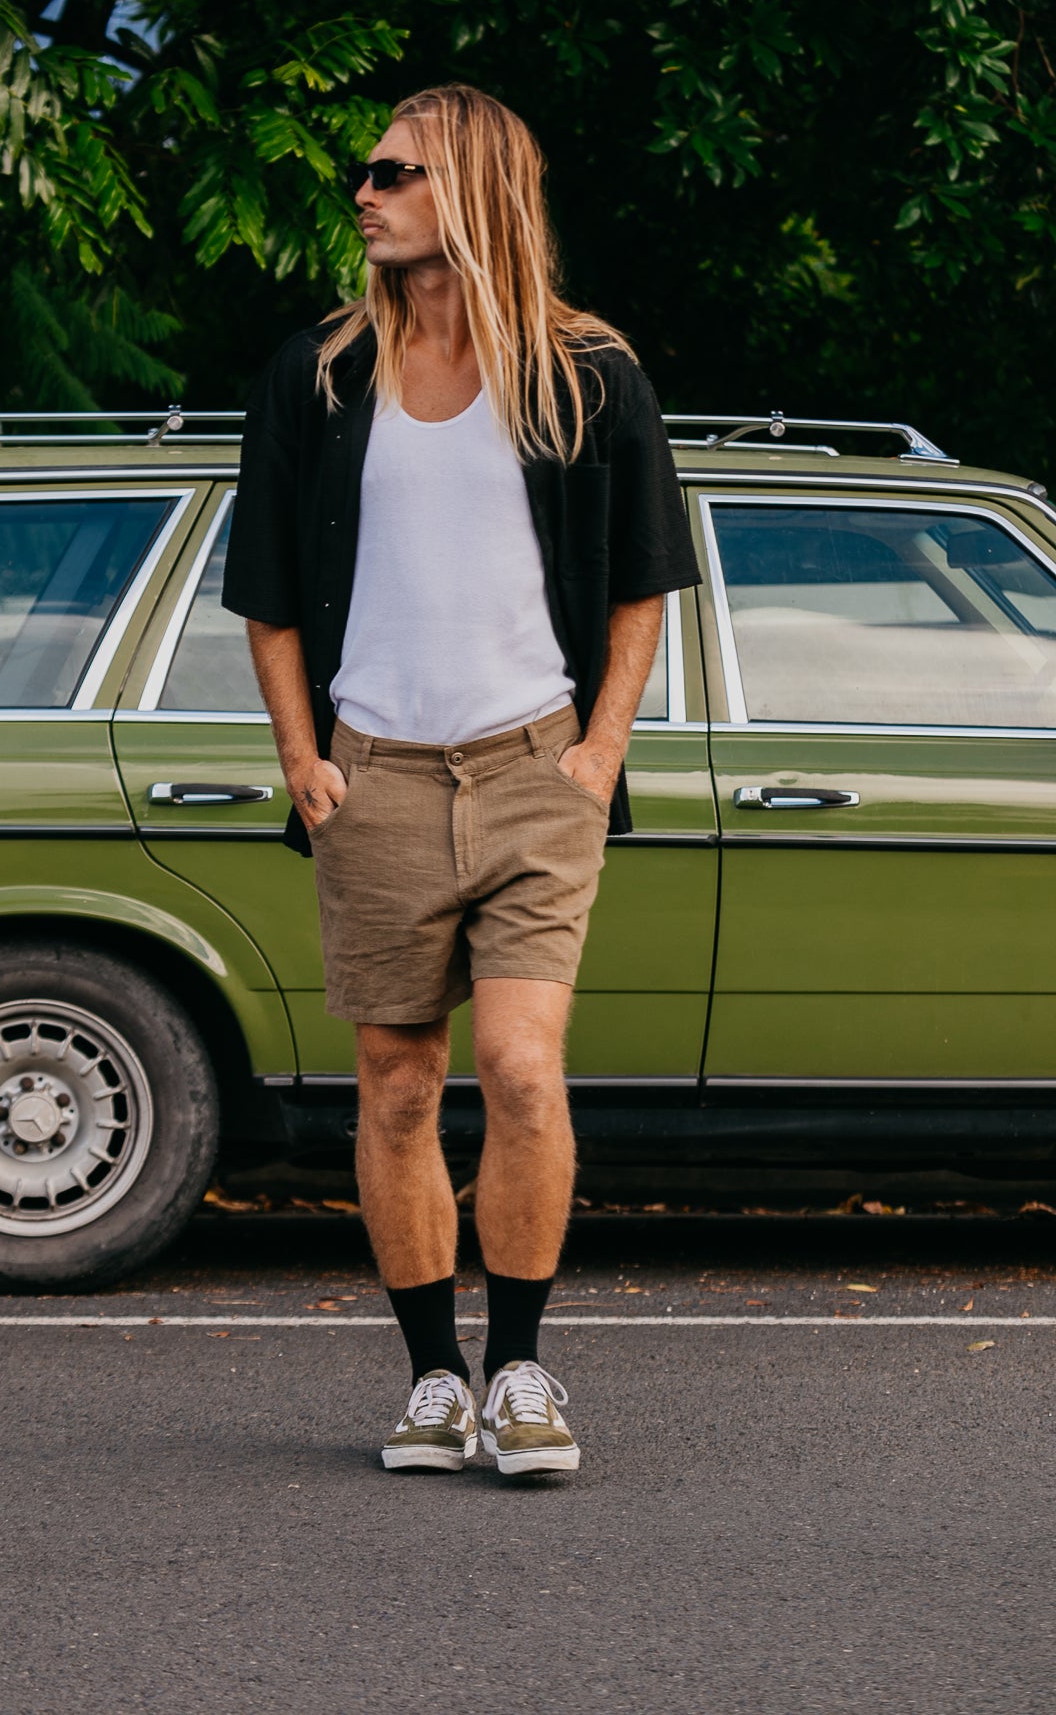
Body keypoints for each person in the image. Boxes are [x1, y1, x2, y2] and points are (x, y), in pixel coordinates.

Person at [222, 84, 700, 1475]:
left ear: (472, 192)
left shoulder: (588, 374)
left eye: (394, 172)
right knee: (394, 1080)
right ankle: (434, 1377)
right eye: (362, 172)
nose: (362, 192)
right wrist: (303, 759)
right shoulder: (318, 375)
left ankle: (524, 1374)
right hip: (370, 774)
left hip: (531, 771)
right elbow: (267, 598)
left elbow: (642, 591)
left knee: (524, 1071)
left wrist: (599, 750)